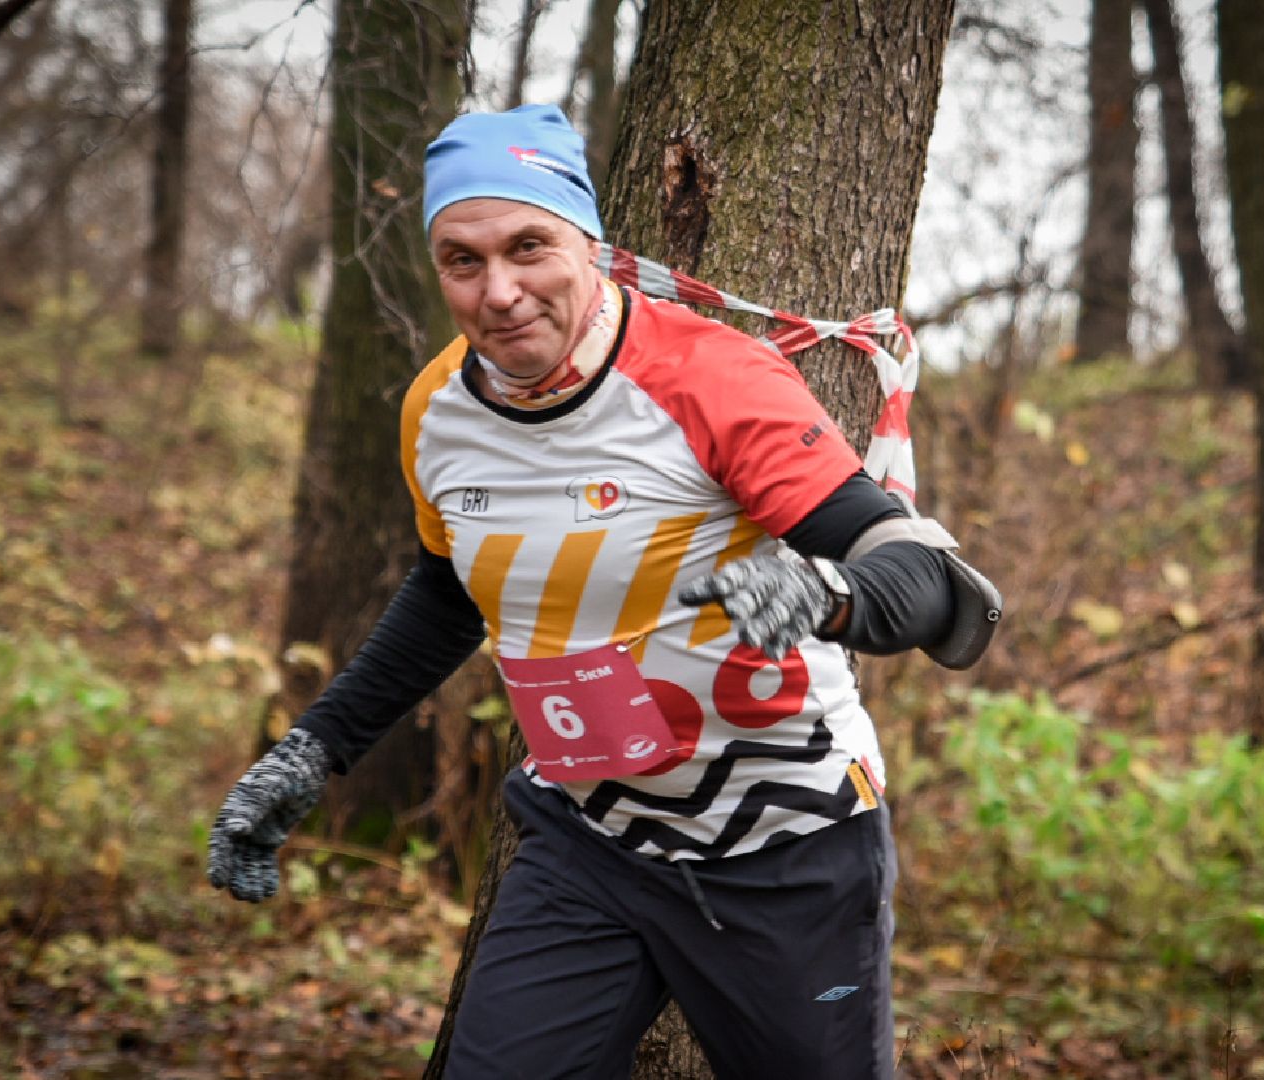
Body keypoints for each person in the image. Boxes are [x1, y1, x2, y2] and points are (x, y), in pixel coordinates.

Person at [208, 103, 1001, 1079]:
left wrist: (824, 593)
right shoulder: (436, 410)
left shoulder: (708, 377)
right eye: (462, 260)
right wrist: (311, 751)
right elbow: (449, 593)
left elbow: (915, 571)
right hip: (590, 839)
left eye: (528, 247)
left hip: (785, 845)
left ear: (591, 245)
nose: (499, 291)